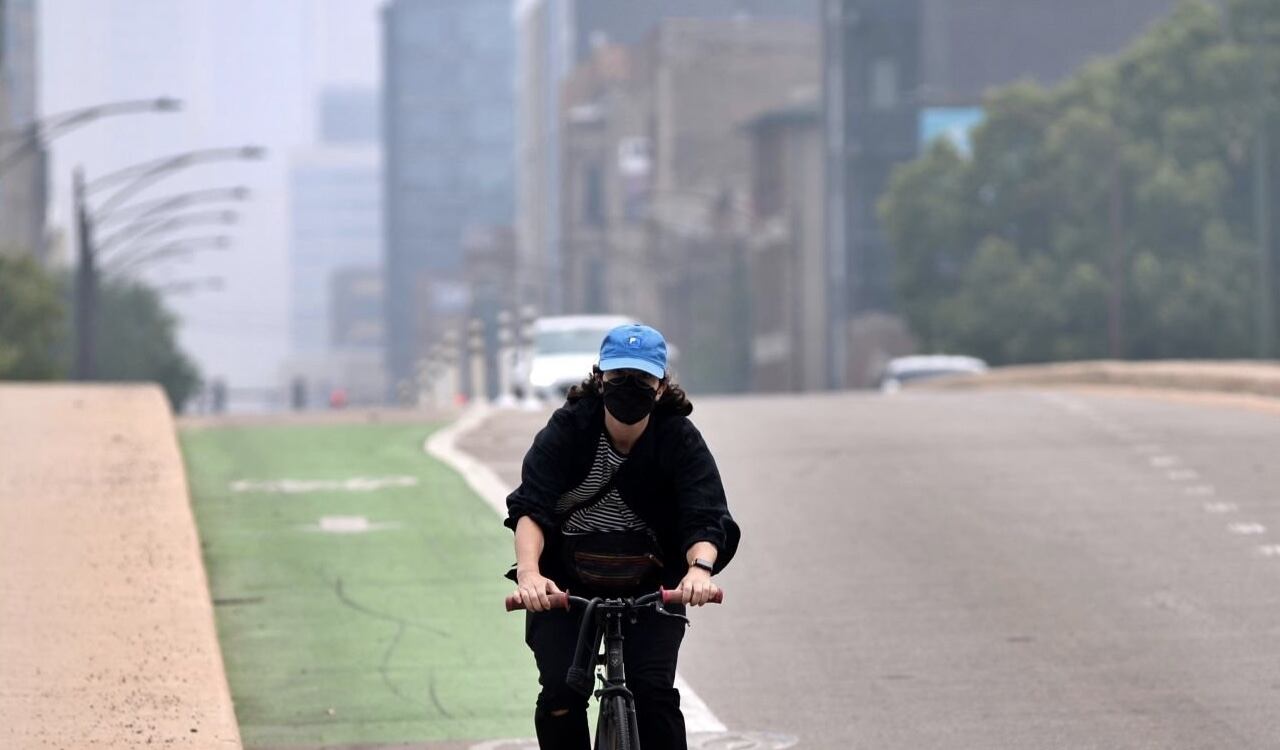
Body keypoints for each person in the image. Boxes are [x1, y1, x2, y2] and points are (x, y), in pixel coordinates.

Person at [505, 323, 740, 750]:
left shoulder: (678, 438)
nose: (629, 387)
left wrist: (699, 570)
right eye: (618, 378)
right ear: (599, 379)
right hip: (564, 583)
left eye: (642, 379)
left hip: (653, 587)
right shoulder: (569, 429)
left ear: (661, 386)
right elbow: (530, 507)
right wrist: (530, 575)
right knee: (560, 694)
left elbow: (705, 515)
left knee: (655, 694)